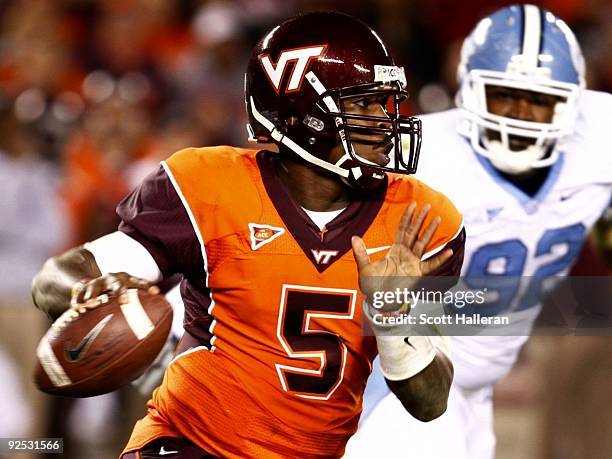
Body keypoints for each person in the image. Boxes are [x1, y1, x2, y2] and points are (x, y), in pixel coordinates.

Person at [31, 12, 466, 459]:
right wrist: (90, 290)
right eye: (363, 104)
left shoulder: (419, 219)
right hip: (191, 443)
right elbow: (57, 279)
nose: (385, 119)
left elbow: (430, 402)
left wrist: (393, 315)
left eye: (386, 102)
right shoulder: (210, 185)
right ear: (303, 116)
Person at [344, 4, 612, 459]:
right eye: (505, 96)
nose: (522, 116)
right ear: (468, 90)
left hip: (478, 390)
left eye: (541, 101)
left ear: (573, 102)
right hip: (399, 381)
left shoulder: (599, 135)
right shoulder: (422, 158)